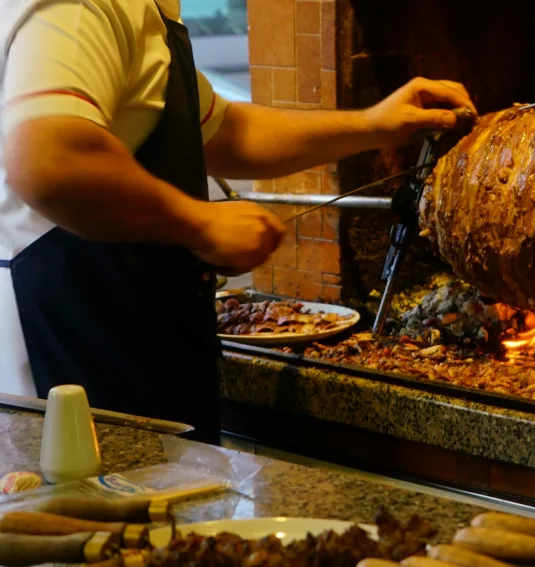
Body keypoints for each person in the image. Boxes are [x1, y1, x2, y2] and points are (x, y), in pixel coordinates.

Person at [0, 0, 476, 445]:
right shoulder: (84, 8)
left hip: (134, 342)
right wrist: (199, 224)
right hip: (71, 356)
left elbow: (226, 131)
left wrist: (375, 124)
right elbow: (50, 156)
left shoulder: (144, 11)